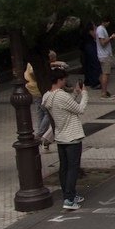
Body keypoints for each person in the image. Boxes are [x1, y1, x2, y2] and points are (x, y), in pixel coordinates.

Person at [43, 68, 88, 210]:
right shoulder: (62, 96)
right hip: (72, 136)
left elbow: (67, 107)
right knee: (73, 168)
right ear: (59, 80)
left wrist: (75, 93)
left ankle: (69, 194)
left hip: (61, 136)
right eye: (64, 80)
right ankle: (69, 198)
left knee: (64, 167)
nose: (65, 82)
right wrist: (84, 94)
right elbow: (79, 109)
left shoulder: (47, 96)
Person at [96, 17, 115, 99]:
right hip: (104, 55)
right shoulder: (101, 29)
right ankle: (103, 93)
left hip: (105, 54)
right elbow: (103, 42)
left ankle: (105, 91)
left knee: (105, 73)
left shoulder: (101, 29)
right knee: (106, 73)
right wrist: (111, 37)